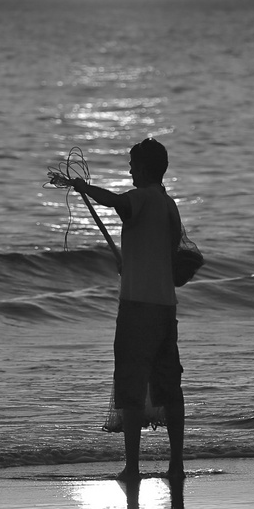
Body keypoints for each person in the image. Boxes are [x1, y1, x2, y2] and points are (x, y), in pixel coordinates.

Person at [67, 138, 185, 482]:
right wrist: (131, 263)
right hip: (165, 308)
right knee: (169, 387)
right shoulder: (168, 204)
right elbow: (164, 252)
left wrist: (83, 187)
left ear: (145, 168)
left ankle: (132, 468)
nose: (130, 170)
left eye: (133, 164)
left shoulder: (142, 198)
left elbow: (117, 202)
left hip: (137, 308)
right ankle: (176, 465)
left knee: (131, 387)